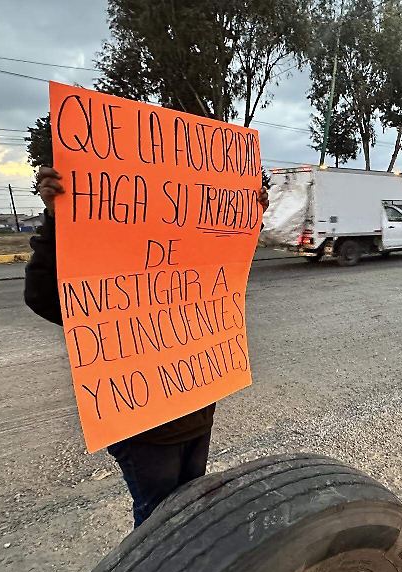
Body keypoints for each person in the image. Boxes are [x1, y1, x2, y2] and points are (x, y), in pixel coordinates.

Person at [24, 166, 270, 527]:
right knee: (158, 519)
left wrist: (247, 217)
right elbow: (42, 296)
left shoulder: (191, 268)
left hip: (197, 410)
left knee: (188, 508)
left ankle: (180, 565)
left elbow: (227, 258)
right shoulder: (111, 276)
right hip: (142, 427)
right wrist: (58, 219)